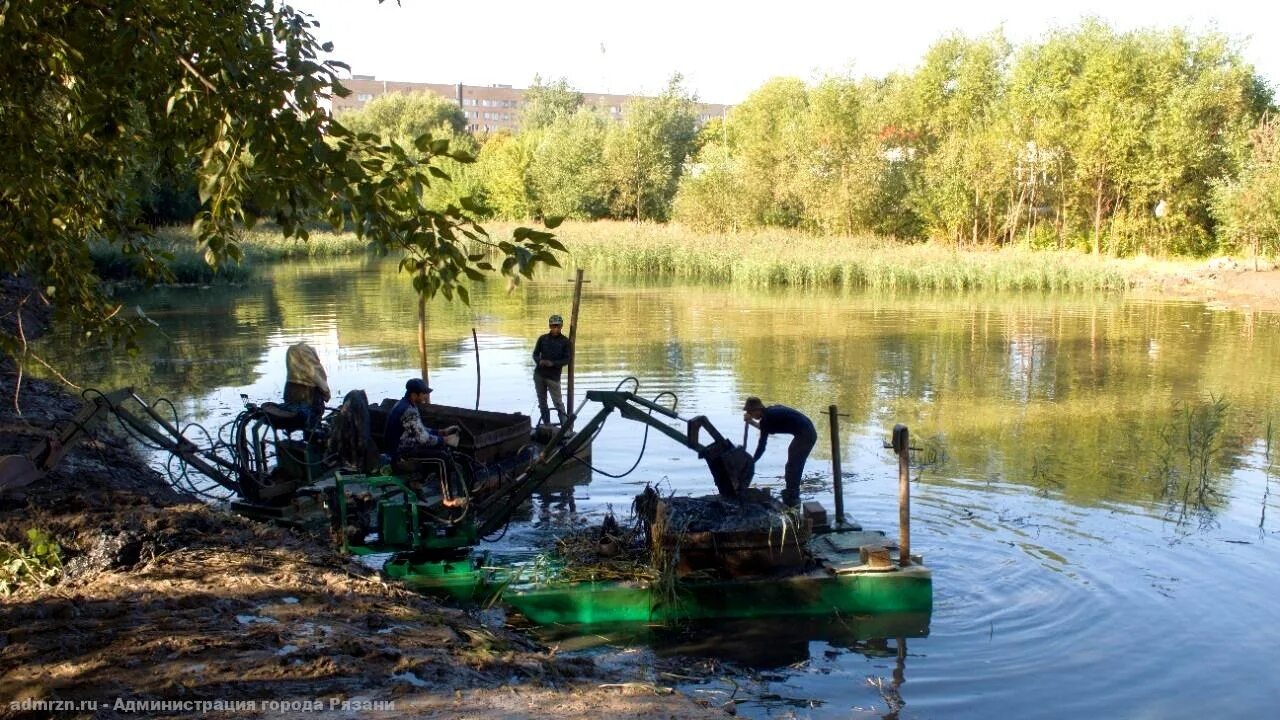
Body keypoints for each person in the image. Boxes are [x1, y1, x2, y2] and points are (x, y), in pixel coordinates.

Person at [743, 396, 816, 508]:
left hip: (806, 434)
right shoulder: (770, 412)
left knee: (794, 465)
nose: (750, 415)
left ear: (757, 410)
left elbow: (761, 446)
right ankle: (791, 494)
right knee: (792, 465)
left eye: (750, 412)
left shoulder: (767, 419)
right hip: (805, 431)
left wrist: (752, 461)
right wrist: (752, 422)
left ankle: (793, 498)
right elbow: (768, 429)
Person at [384, 378, 460, 463]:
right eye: (423, 393)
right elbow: (423, 439)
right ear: (414, 394)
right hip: (399, 452)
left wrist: (441, 432)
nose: (426, 396)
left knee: (439, 446)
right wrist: (446, 440)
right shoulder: (409, 411)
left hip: (400, 445)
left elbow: (419, 429)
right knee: (442, 456)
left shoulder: (404, 404)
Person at [531, 314, 572, 426]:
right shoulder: (542, 339)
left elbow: (567, 359)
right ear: (550, 326)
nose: (556, 328)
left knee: (558, 403)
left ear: (561, 326)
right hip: (539, 375)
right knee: (542, 402)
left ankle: (565, 428)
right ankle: (547, 424)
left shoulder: (565, 342)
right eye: (553, 326)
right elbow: (535, 354)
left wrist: (553, 363)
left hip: (554, 377)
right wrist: (539, 361)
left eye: (558, 326)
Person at [283, 341, 330, 422]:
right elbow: (325, 390)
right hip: (309, 409)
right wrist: (326, 395)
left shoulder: (291, 376)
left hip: (290, 405)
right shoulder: (314, 370)